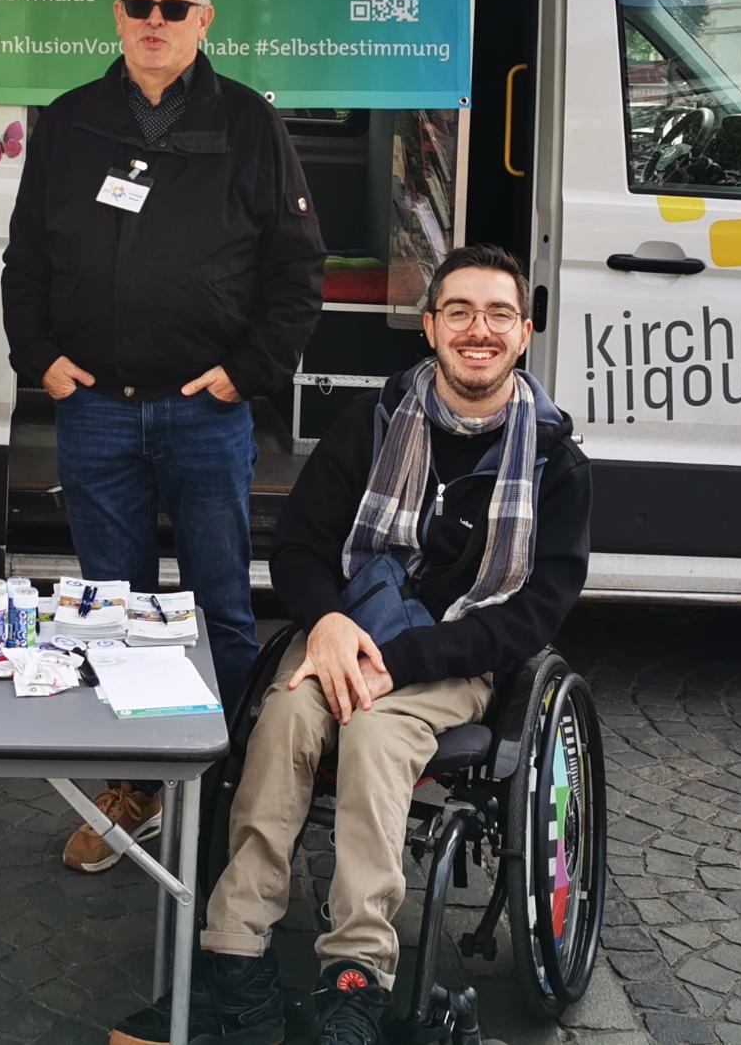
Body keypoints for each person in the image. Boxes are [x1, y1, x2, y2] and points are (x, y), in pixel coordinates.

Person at [109, 244, 592, 1045]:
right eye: (461, 312)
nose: (480, 329)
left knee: (373, 732)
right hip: (345, 634)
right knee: (287, 719)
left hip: (453, 658)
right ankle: (235, 955)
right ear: (430, 326)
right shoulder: (371, 424)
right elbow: (299, 545)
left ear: (525, 332)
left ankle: (355, 975)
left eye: (499, 314)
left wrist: (396, 664)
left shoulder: (555, 462)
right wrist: (329, 626)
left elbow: (536, 614)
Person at [3, 0, 324, 872]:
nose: (155, 20)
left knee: (222, 607)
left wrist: (247, 372)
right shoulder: (70, 122)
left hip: (204, 412)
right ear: (115, 14)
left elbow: (298, 271)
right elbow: (27, 262)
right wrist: (41, 361)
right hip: (96, 411)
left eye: (174, 8)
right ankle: (136, 786)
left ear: (204, 22)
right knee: (115, 608)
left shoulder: (251, 125)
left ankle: (228, 790)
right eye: (139, 4)